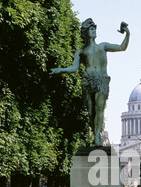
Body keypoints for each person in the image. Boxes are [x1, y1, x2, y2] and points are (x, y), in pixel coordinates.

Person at [50, 18, 130, 146]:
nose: (94, 31)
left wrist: (127, 34)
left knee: (99, 108)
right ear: (86, 32)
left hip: (102, 80)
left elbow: (121, 47)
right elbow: (74, 68)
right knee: (90, 112)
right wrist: (60, 70)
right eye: (91, 29)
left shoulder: (103, 46)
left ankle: (97, 135)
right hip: (88, 81)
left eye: (94, 28)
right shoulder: (81, 52)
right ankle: (95, 131)